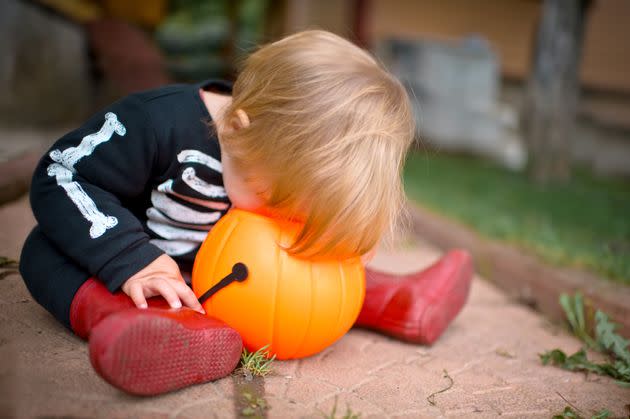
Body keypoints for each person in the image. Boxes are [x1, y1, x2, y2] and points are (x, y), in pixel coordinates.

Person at [19, 30, 472, 396]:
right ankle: (142, 328)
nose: (281, 216)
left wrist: (343, 232)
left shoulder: (273, 158)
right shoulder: (155, 124)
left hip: (235, 281)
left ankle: (399, 301)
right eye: (277, 201)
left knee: (315, 252)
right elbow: (60, 173)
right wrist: (129, 258)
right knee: (43, 250)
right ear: (237, 129)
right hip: (144, 274)